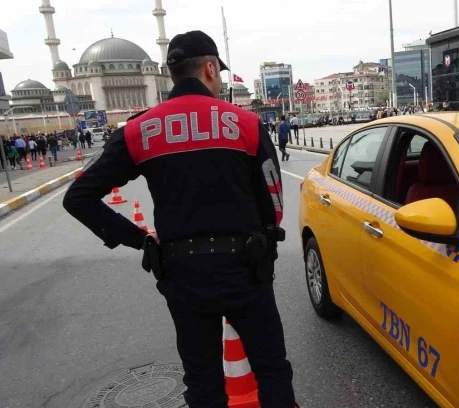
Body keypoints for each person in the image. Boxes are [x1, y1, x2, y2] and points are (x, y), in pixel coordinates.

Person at [63, 30, 296, 408]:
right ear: (208, 68)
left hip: (183, 275)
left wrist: (140, 239)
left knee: (202, 382)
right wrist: (266, 240)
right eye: (217, 72)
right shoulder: (245, 123)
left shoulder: (140, 129)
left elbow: (79, 197)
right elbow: (273, 196)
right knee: (271, 370)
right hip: (246, 271)